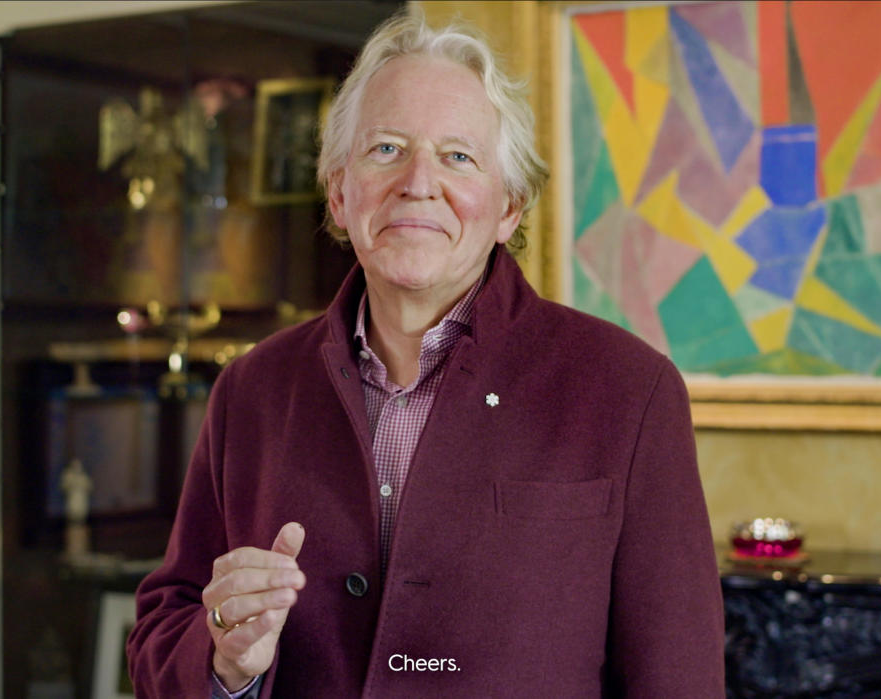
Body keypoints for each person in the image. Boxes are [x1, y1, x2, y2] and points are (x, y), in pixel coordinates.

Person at [127, 12, 724, 697]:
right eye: (385, 148)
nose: (417, 181)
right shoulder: (251, 388)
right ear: (339, 192)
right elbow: (163, 630)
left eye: (458, 156)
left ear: (510, 207)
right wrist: (224, 658)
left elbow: (679, 679)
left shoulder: (629, 390)